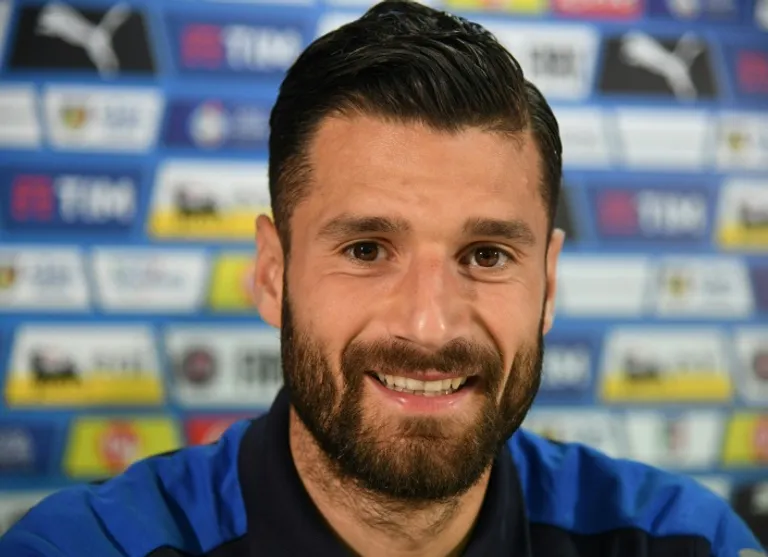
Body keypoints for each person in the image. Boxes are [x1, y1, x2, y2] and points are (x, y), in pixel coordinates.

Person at [0, 2, 763, 556]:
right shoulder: (85, 546)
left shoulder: (679, 540)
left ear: (549, 285)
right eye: (367, 249)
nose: (430, 323)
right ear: (272, 273)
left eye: (487, 255)